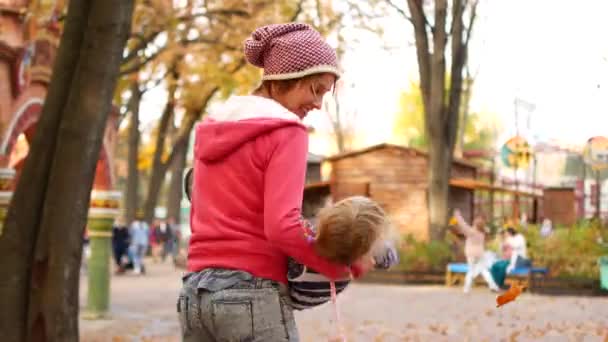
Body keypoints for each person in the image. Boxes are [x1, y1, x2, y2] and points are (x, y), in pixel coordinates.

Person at [178, 23, 368, 341]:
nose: (318, 103)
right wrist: (336, 266)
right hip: (251, 294)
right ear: (285, 78)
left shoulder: (213, 130)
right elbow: (282, 226)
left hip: (194, 295)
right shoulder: (286, 132)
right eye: (315, 89)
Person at [287, 196, 399, 310]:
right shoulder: (347, 271)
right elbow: (390, 258)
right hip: (302, 299)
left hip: (292, 298)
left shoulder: (300, 258)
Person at [453, 209, 500, 293]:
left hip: (470, 253)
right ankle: (493, 286)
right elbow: (488, 238)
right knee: (484, 270)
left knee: (471, 270)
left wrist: (457, 216)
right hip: (480, 253)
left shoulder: (471, 231)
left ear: (474, 223)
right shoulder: (483, 232)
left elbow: (463, 225)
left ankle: (466, 288)